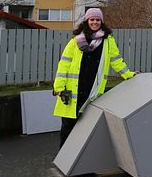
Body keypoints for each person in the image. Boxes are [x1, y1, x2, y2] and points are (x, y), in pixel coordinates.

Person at [53, 8, 136, 147]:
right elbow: (64, 64)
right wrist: (59, 88)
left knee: (86, 128)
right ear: (87, 21)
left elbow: (116, 60)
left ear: (101, 22)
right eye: (92, 19)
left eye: (98, 20)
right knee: (68, 126)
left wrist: (128, 74)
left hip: (92, 90)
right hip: (72, 90)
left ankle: (79, 161)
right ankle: (64, 158)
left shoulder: (108, 40)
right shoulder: (75, 41)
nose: (95, 22)